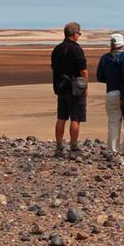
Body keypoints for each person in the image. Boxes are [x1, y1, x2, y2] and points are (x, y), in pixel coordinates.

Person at [96, 33, 124, 160]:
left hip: (112, 93)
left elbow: (100, 77)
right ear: (122, 45)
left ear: (112, 45)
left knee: (114, 122)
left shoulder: (105, 58)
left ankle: (113, 152)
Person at [50, 21, 88, 157]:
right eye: (79, 33)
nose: (80, 35)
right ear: (75, 34)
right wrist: (85, 86)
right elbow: (83, 71)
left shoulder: (57, 49)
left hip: (61, 88)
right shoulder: (76, 49)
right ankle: (73, 148)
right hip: (75, 89)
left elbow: (54, 67)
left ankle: (59, 148)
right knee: (75, 118)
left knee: (61, 117)